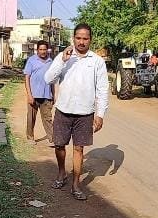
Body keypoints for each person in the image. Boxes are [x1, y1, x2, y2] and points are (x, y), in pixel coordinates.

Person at [44, 23, 109, 201]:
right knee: (59, 145)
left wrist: (100, 114)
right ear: (73, 38)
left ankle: (76, 184)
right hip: (63, 110)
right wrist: (62, 61)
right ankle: (61, 172)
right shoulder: (63, 57)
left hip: (85, 114)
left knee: (79, 148)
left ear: (90, 40)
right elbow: (48, 78)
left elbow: (102, 90)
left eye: (85, 38)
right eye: (78, 38)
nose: (81, 42)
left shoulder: (97, 61)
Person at [23, 40, 56, 144]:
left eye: (44, 49)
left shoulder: (50, 61)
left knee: (48, 118)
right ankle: (30, 137)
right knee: (31, 118)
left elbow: (52, 80)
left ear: (47, 50)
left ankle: (52, 139)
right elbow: (27, 78)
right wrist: (29, 95)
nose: (42, 51)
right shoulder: (31, 61)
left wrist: (53, 94)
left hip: (46, 95)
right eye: (40, 49)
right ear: (37, 50)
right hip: (34, 95)